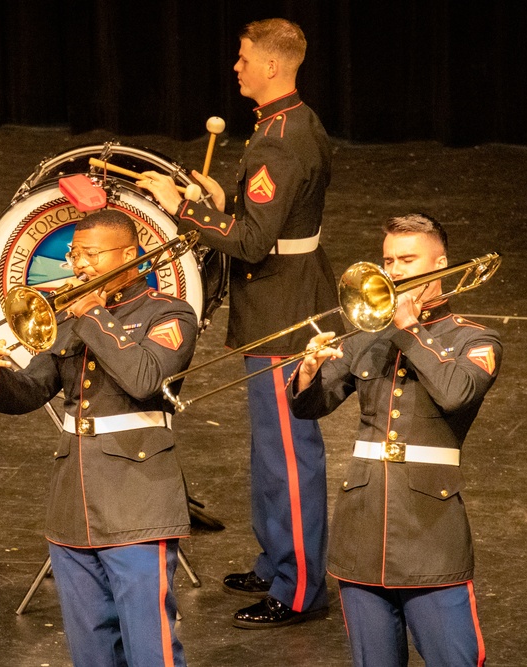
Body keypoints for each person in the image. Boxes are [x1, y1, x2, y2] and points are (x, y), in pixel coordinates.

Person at [139, 18, 337, 627]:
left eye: (245, 57)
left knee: (288, 453)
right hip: (281, 302)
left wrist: (185, 212)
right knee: (269, 448)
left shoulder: (279, 138)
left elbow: (251, 245)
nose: (237, 66)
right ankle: (278, 560)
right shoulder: (289, 121)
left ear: (272, 66)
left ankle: (300, 587)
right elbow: (272, 208)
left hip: (284, 311)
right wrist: (219, 199)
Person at [0, 209, 198, 666]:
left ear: (130, 255)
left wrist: (94, 313)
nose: (79, 264)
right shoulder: (72, 316)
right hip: (73, 501)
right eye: (76, 254)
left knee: (149, 646)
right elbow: (35, 388)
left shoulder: (169, 313)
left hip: (139, 500)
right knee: (90, 648)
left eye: (91, 254)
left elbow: (144, 377)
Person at [289, 214, 500, 666]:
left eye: (408, 259)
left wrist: (410, 330)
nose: (396, 270)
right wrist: (307, 372)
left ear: (441, 263)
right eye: (389, 260)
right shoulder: (369, 335)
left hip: (429, 534)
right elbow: (310, 407)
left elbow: (455, 392)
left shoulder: (474, 339)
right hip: (361, 529)